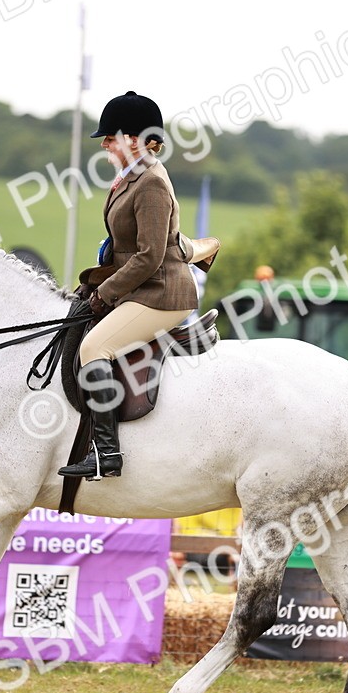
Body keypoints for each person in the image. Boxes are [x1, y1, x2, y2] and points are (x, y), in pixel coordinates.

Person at [59, 91, 218, 481]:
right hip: (142, 287)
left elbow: (148, 256)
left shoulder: (151, 184)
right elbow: (124, 248)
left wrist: (105, 293)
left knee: (95, 347)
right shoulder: (130, 178)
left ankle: (106, 455)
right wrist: (94, 283)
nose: (106, 145)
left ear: (132, 138)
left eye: (110, 138)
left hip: (163, 292)